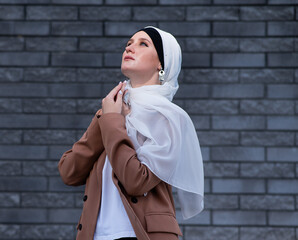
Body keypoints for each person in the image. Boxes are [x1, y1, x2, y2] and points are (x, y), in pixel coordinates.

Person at [58, 26, 204, 240]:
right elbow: (69, 172)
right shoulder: (112, 110)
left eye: (143, 44)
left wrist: (112, 121)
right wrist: (105, 119)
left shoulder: (169, 117)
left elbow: (137, 181)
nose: (130, 48)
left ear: (161, 64)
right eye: (129, 43)